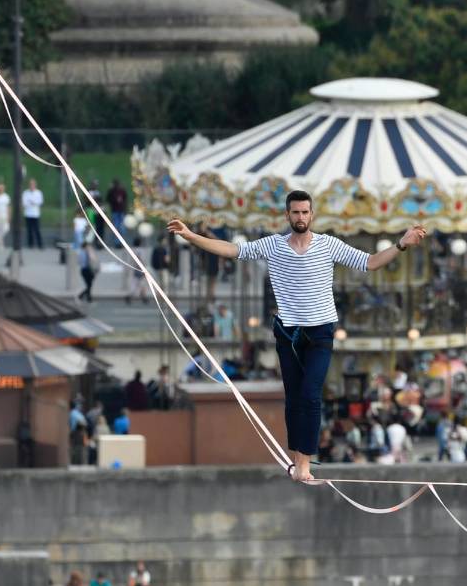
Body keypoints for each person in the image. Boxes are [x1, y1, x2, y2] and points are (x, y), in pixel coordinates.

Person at [167, 190, 426, 483]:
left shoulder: (328, 245)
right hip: (288, 332)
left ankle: (305, 463)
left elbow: (370, 262)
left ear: (312, 215)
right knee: (293, 399)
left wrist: (402, 244)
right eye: (295, 212)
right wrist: (191, 237)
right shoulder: (274, 246)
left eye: (305, 212)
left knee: (310, 395)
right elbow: (232, 250)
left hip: (321, 331)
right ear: (287, 215)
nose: (300, 217)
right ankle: (295, 459)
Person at [22, 178, 44, 249]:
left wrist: (33, 202)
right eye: (31, 184)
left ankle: (40, 245)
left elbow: (40, 202)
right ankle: (30, 245)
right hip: (28, 214)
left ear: (35, 185)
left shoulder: (39, 192)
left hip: (35, 214)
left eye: (33, 184)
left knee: (37, 230)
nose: (32, 185)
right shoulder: (25, 193)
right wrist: (31, 203)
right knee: (29, 230)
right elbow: (24, 203)